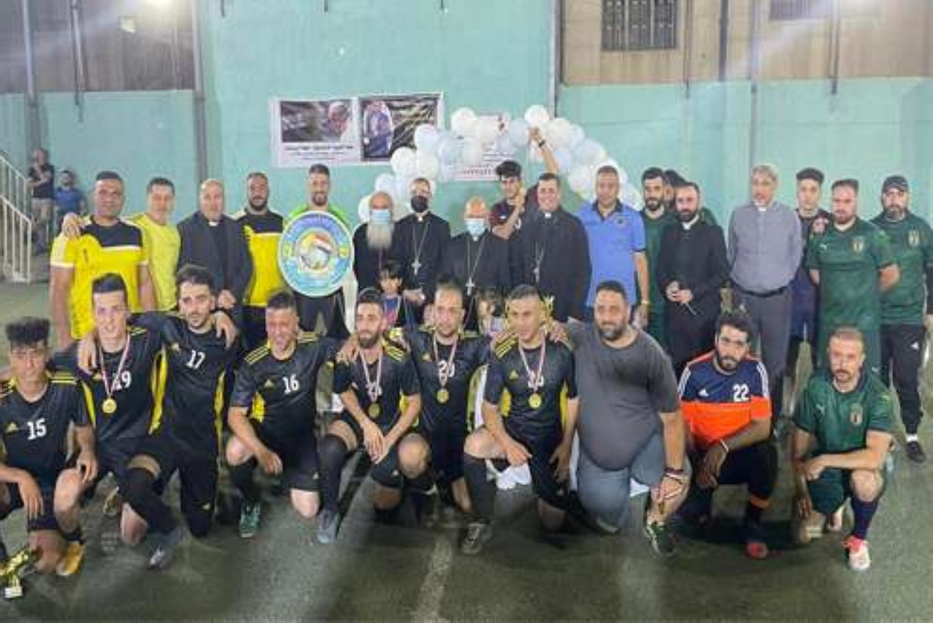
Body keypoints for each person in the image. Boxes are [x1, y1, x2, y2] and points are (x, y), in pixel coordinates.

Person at [117, 265, 239, 569]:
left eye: (201, 299)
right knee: (131, 521)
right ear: (178, 302)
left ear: (213, 301)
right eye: (186, 300)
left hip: (202, 442)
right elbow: (117, 320)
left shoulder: (230, 338)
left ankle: (208, 488)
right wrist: (90, 338)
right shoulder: (167, 325)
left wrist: (228, 315)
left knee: (201, 527)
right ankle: (169, 526)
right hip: (166, 434)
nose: (194, 308)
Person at [568, 281, 688, 555]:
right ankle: (614, 504)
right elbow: (541, 327)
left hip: (644, 446)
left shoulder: (652, 354)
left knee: (683, 477)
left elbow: (672, 419)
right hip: (600, 460)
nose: (607, 316)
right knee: (607, 520)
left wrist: (674, 472)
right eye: (600, 309)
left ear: (628, 311)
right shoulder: (581, 336)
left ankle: (655, 519)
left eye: (614, 309)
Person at [460, 285, 579, 555]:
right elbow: (489, 408)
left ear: (541, 315)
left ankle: (551, 490)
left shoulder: (562, 350)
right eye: (514, 315)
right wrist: (507, 443)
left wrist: (567, 445)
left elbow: (573, 398)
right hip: (514, 431)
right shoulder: (502, 353)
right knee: (473, 445)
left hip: (549, 438)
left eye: (528, 314)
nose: (521, 322)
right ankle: (481, 520)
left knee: (553, 523)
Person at [226, 290, 339, 539]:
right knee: (234, 451)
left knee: (309, 510)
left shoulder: (312, 347)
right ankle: (251, 500)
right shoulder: (254, 361)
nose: (277, 332)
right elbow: (235, 415)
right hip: (266, 433)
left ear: (296, 322)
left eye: (284, 325)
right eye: (271, 324)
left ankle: (290, 475)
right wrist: (260, 450)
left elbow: (345, 348)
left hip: (301, 439)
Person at [316, 288, 424, 544]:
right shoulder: (346, 354)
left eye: (371, 318)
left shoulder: (398, 356)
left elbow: (414, 403)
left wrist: (388, 440)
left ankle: (404, 483)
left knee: (384, 507)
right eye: (360, 318)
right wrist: (365, 424)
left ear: (383, 322)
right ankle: (330, 510)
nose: (364, 325)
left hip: (389, 423)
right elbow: (342, 390)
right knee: (329, 447)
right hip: (358, 419)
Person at [0, 317, 97, 577]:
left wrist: (86, 450)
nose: (29, 364)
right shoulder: (1, 395)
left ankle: (73, 538)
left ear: (47, 353)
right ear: (10, 356)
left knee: (45, 563)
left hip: (48, 481)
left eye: (36, 354)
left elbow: (84, 429)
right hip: (13, 479)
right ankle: (2, 564)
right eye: (20, 356)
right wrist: (20, 477)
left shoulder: (67, 386)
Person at [791, 327, 893, 572]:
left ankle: (858, 540)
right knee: (804, 535)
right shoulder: (816, 386)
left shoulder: (879, 396)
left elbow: (875, 457)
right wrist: (801, 490)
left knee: (864, 482)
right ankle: (833, 506)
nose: (842, 363)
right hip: (830, 472)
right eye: (836, 355)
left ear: (862, 359)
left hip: (863, 466)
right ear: (828, 353)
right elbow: (797, 449)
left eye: (850, 357)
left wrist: (824, 459)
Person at [677, 310, 777, 559]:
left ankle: (753, 523)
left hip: (736, 453)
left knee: (767, 454)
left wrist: (722, 446)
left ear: (748, 347)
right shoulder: (693, 372)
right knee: (690, 518)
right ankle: (702, 503)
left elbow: (762, 427)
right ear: (715, 340)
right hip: (700, 454)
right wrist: (698, 463)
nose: (730, 350)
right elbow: (679, 426)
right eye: (726, 341)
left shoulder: (756, 371)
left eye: (739, 344)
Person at [402, 280, 491, 518]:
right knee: (409, 456)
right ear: (432, 310)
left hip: (459, 440)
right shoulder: (415, 338)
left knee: (469, 507)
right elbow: (375, 334)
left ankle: (451, 480)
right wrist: (350, 341)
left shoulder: (474, 345)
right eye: (440, 309)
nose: (445, 317)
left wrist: (550, 329)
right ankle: (428, 488)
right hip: (426, 434)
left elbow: (510, 343)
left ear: (462, 315)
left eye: (453, 311)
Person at [728, 164, 802, 419]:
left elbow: (795, 255)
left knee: (775, 361)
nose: (759, 189)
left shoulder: (789, 217)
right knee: (741, 355)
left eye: (765, 184)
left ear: (775, 186)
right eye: (755, 183)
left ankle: (772, 416)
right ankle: (742, 412)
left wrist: (778, 279)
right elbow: (732, 254)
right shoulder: (738, 215)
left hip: (777, 300)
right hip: (744, 299)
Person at [50, 171, 156, 349]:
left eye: (116, 194)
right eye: (103, 193)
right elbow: (59, 290)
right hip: (84, 336)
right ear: (93, 195)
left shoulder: (137, 233)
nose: (110, 199)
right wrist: (64, 338)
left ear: (123, 198)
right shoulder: (71, 234)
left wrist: (154, 329)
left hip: (128, 334)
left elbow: (144, 284)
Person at [806, 179, 899, 374]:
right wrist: (837, 288)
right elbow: (814, 271)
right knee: (828, 382)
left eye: (847, 201)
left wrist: (866, 293)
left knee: (866, 385)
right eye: (836, 201)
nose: (840, 206)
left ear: (856, 202)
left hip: (864, 325)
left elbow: (891, 274)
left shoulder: (873, 234)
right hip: (830, 324)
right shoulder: (820, 235)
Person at [870, 175, 933, 463]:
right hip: (876, 319)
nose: (894, 198)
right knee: (878, 380)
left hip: (909, 318)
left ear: (907, 197)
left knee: (906, 378)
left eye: (900, 193)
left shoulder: (921, 228)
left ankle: (911, 434)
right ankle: (882, 433)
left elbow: (931, 273)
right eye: (889, 193)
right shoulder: (871, 228)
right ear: (882, 197)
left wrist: (930, 312)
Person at [656, 181, 729, 374]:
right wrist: (666, 287)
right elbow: (660, 270)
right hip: (675, 318)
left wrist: (693, 293)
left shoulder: (713, 233)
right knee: (678, 371)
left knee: (703, 371)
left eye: (689, 200)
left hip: (704, 317)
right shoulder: (668, 233)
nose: (685, 205)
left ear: (699, 202)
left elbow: (723, 273)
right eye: (680, 201)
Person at [516, 173, 591, 323]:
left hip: (564, 309)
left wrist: (575, 312)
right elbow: (520, 266)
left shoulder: (574, 225)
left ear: (559, 194)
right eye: (542, 191)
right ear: (537, 195)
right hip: (531, 309)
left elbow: (583, 271)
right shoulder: (527, 225)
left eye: (551, 191)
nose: (546, 195)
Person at [177, 179, 253, 326]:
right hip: (202, 311)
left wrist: (233, 293)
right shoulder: (185, 229)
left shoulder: (236, 227)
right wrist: (216, 296)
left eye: (217, 197)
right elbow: (185, 272)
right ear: (200, 200)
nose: (213, 203)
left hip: (233, 306)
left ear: (224, 200)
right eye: (207, 197)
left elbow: (246, 266)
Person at [288, 164, 352, 338]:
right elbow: (288, 258)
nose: (319, 188)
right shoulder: (294, 217)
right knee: (303, 340)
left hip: (332, 288)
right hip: (303, 289)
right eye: (315, 183)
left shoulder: (340, 218)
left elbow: (345, 257)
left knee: (336, 338)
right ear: (308, 186)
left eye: (323, 183)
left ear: (329, 186)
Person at [579, 166, 649, 325]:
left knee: (624, 347)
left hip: (624, 299)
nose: (605, 191)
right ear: (595, 187)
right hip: (591, 300)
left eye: (610, 186)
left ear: (618, 188)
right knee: (592, 348)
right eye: (601, 186)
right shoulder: (581, 216)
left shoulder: (633, 217)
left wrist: (645, 302)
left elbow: (640, 260)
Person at [786, 168, 831, 414]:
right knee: (786, 363)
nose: (807, 196)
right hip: (790, 303)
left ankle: (818, 412)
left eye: (813, 190)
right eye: (803, 189)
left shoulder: (831, 222)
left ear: (820, 192)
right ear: (797, 191)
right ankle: (786, 412)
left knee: (820, 363)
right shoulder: (785, 220)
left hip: (818, 304)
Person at [443, 196, 510, 329]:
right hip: (458, 313)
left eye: (479, 216)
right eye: (471, 216)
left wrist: (496, 310)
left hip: (488, 314)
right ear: (464, 216)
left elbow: (505, 283)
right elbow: (447, 279)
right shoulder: (453, 244)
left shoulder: (499, 245)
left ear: (486, 217)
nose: (474, 220)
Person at [237, 172, 286, 352]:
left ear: (269, 191)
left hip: (277, 305)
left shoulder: (282, 223)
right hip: (247, 306)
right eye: (253, 188)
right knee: (250, 360)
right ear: (247, 191)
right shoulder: (236, 224)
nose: (257, 192)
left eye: (262, 188)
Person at [392, 177, 451, 322]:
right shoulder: (400, 227)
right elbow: (395, 263)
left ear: (430, 196)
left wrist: (425, 294)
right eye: (414, 192)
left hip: (432, 297)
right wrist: (404, 291)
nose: (419, 195)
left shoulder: (441, 227)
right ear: (410, 196)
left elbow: (445, 265)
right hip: (404, 296)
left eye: (423, 191)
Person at [640, 167, 677, 347]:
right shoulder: (634, 222)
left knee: (664, 360)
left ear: (665, 190)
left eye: (656, 189)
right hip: (640, 306)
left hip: (668, 307)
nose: (652, 194)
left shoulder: (675, 223)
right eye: (647, 189)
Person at [353, 191, 399, 292]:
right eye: (375, 207)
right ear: (370, 211)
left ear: (391, 210)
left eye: (384, 207)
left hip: (394, 296)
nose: (379, 211)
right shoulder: (360, 234)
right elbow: (355, 267)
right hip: (366, 295)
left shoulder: (401, 233)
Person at [27, 148, 54, 252]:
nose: (35, 155)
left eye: (37, 153)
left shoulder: (49, 167)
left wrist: (38, 169)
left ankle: (31, 229)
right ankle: (41, 245)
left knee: (45, 218)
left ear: (43, 154)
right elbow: (29, 184)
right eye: (35, 153)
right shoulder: (31, 169)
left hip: (46, 197)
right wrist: (41, 181)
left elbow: (47, 180)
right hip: (35, 198)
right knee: (39, 222)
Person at [53, 169, 85, 235]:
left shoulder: (77, 192)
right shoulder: (57, 191)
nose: (65, 179)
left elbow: (83, 207)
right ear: (61, 179)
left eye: (67, 177)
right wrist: (56, 214)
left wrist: (80, 218)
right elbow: (54, 205)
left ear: (71, 179)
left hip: (74, 218)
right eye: (63, 177)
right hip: (61, 217)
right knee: (59, 236)